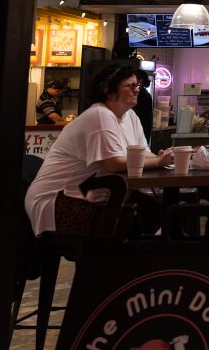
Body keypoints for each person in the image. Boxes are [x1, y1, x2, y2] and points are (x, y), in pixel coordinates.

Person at [25, 63, 173, 236]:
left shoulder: (130, 116)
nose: (137, 90)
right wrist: (157, 162)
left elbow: (143, 153)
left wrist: (160, 157)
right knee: (132, 218)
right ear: (107, 89)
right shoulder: (99, 115)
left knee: (152, 211)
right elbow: (113, 163)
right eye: (130, 86)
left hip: (87, 195)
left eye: (137, 85)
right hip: (56, 201)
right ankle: (110, 262)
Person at [132, 70, 154, 144]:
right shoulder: (144, 93)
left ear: (140, 81)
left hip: (141, 130)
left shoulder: (143, 95)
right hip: (142, 131)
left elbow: (144, 118)